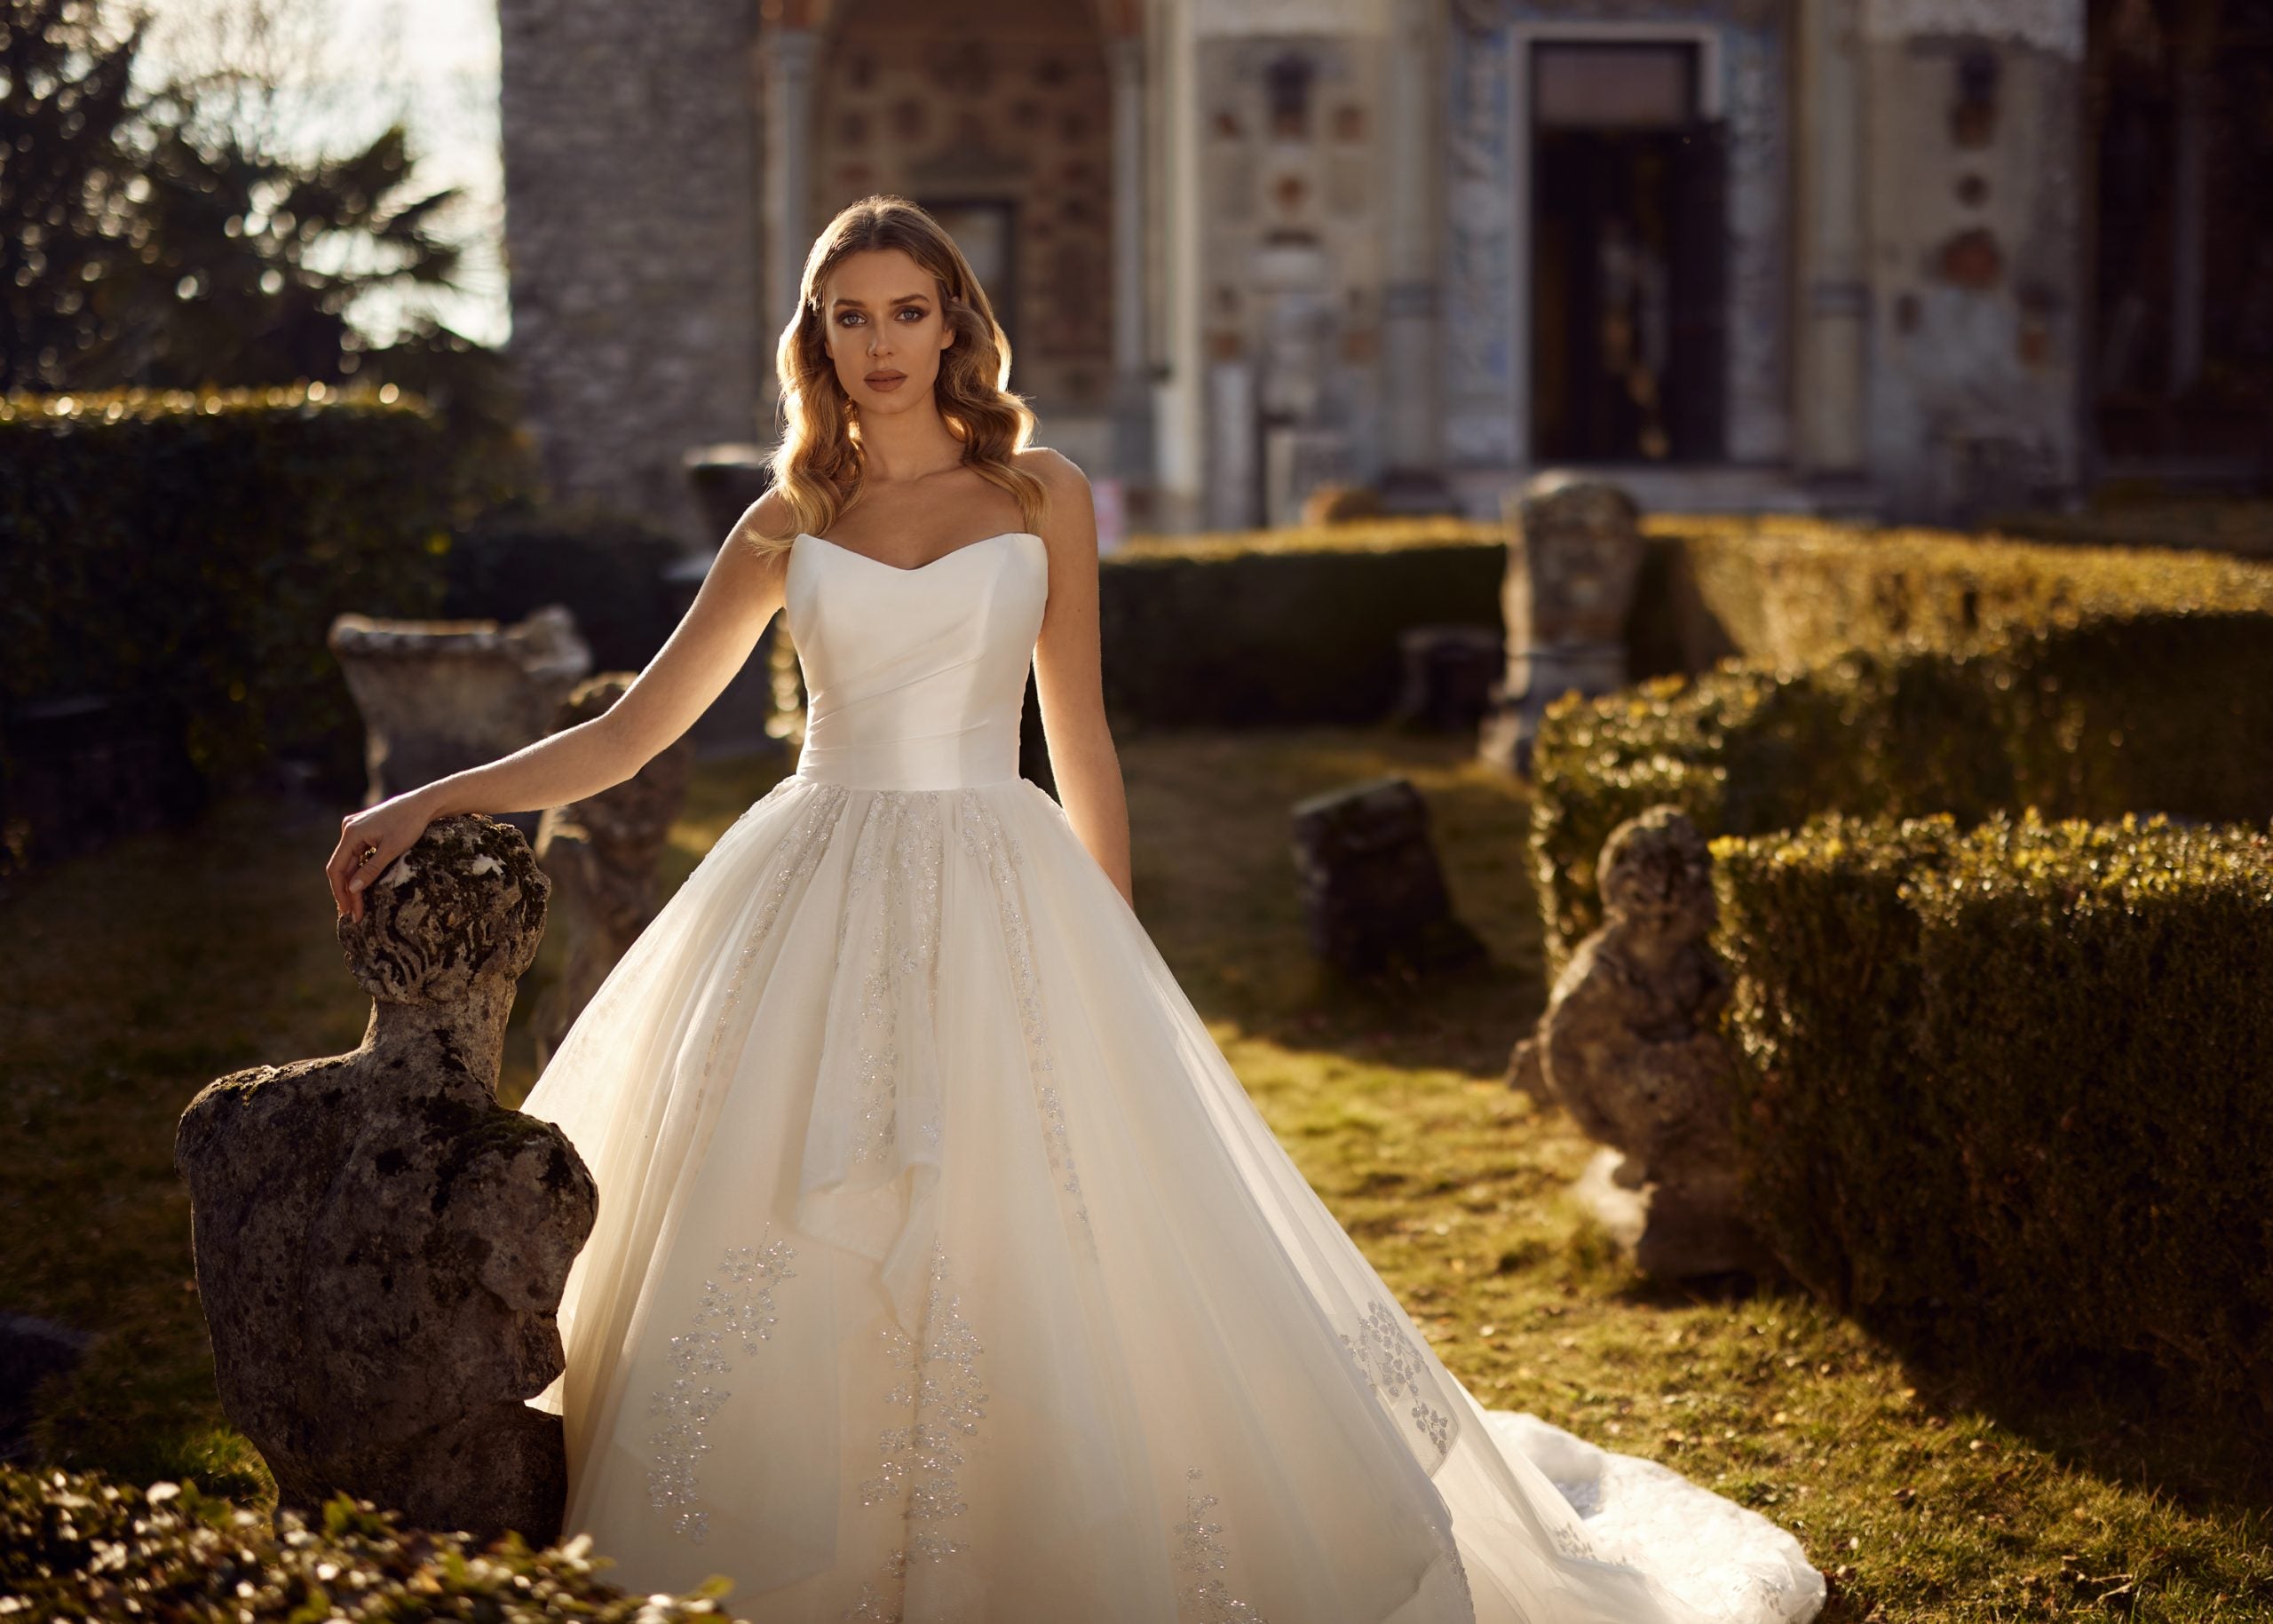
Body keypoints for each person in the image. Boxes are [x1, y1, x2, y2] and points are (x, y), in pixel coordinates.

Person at [326, 195, 1823, 1624]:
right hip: (813, 884)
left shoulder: (1044, 493)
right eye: (850, 317)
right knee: (788, 1220)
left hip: (1001, 873)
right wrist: (425, 799)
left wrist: (1112, 946)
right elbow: (630, 734)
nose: (881, 340)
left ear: (954, 323)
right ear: (818, 342)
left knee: (1029, 1210)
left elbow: (1081, 734)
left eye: (908, 309)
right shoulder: (789, 520)